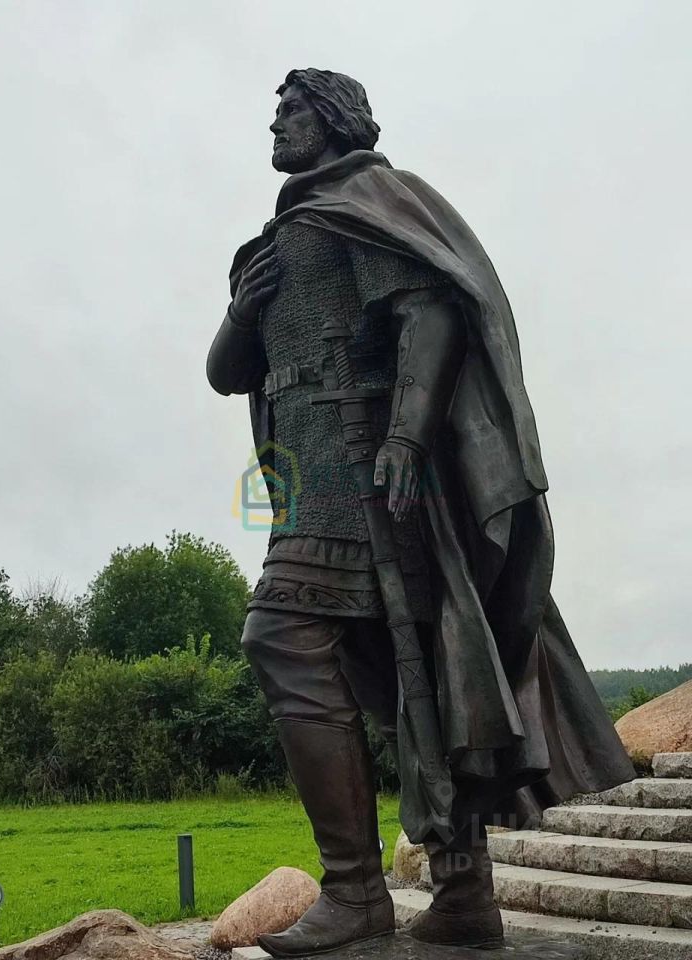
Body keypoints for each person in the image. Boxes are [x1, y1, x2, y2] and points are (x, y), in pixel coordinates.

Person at [206, 68, 635, 956]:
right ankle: (465, 894)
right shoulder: (278, 242)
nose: (275, 126)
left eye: (291, 111)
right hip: (307, 482)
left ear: (334, 120)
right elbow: (226, 372)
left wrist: (406, 435)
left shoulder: (367, 207)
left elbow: (430, 312)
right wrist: (243, 310)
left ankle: (356, 891)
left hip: (371, 475)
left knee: (286, 636)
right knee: (404, 681)